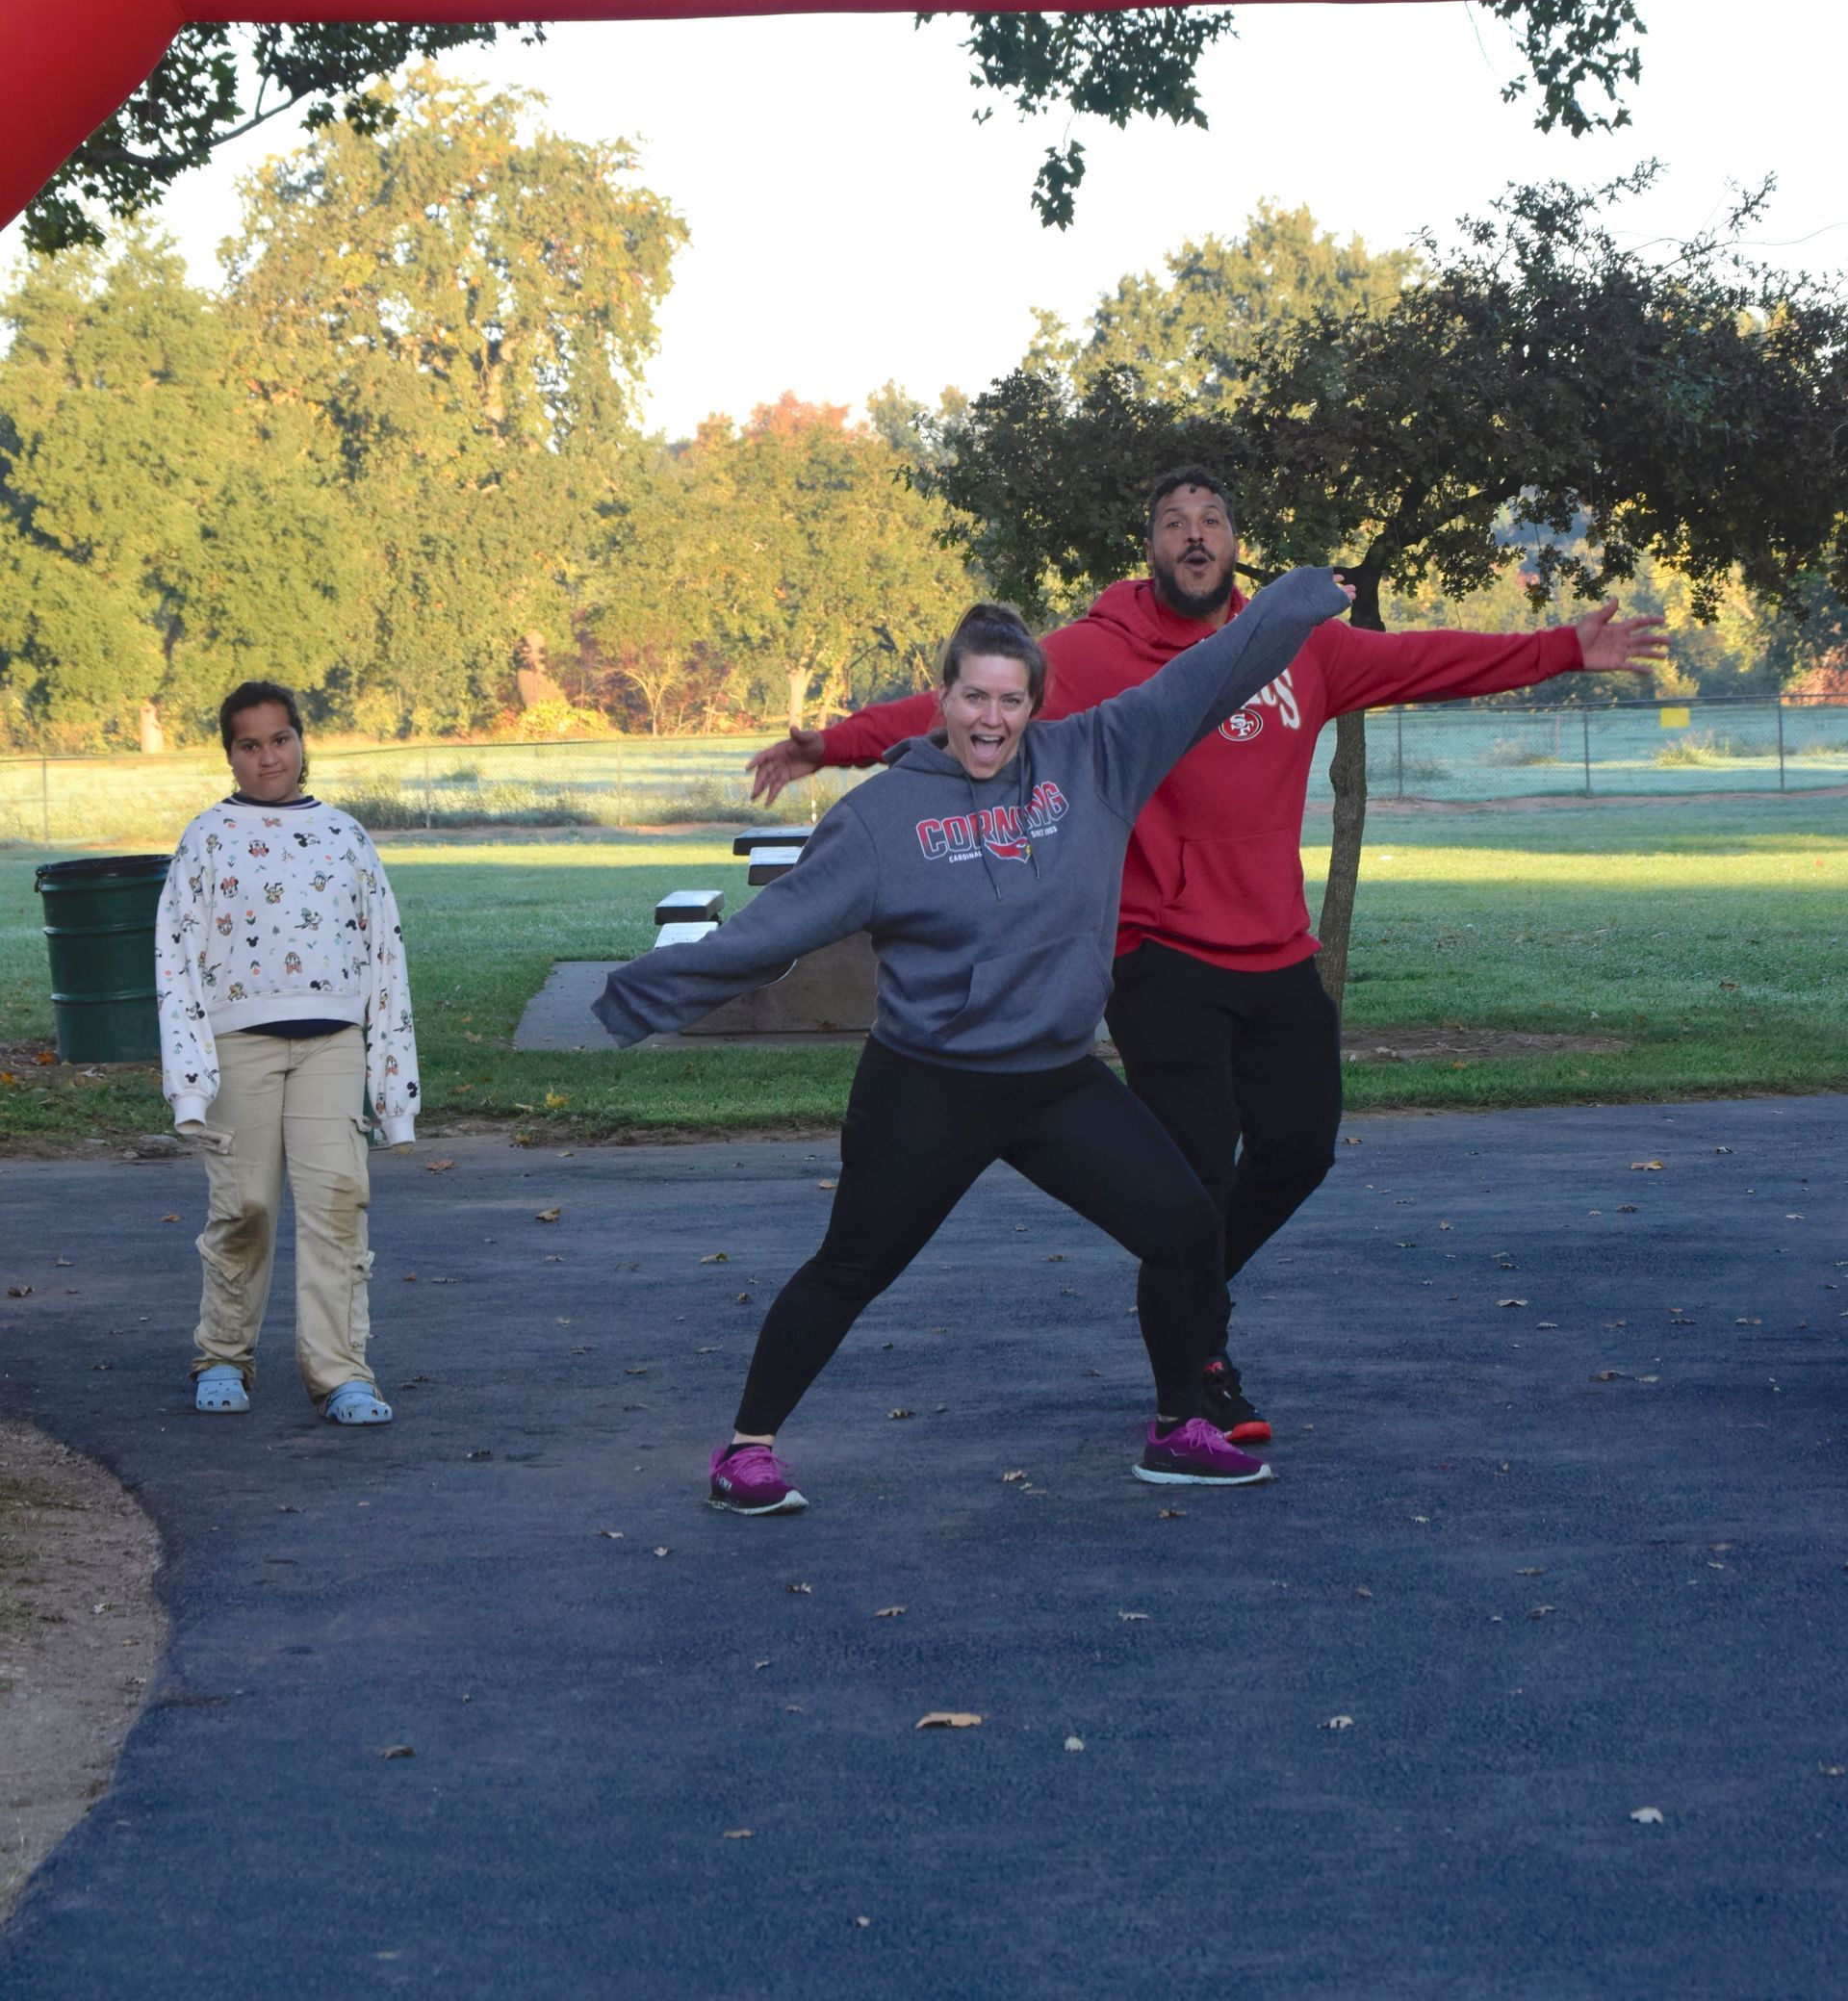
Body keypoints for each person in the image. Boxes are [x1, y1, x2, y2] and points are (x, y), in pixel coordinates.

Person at [751, 468, 1670, 1442]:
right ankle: (1197, 1378)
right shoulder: (1102, 655)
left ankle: (1192, 1294)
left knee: (1301, 1148)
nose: (1195, 537)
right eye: (1173, 524)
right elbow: (963, 704)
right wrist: (838, 745)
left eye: (1213, 522)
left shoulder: (1304, 648)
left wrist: (1565, 647)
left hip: (1277, 950)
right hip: (1162, 956)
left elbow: (1428, 662)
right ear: (1148, 546)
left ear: (1236, 543)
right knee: (1195, 1177)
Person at [595, 568, 1351, 1515]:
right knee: (852, 1265)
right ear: (943, 699)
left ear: (1035, 704)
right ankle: (747, 1449)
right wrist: (638, 994)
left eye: (1010, 698)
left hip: (1054, 1082)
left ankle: (1177, 1427)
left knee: (1187, 1226)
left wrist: (1299, 598)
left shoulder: (1098, 762)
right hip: (930, 1086)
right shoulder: (882, 820)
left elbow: (1214, 674)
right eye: (973, 696)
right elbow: (772, 931)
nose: (990, 718)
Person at [155, 680, 421, 1424]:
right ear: (230, 756)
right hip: (237, 1045)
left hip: (332, 1045)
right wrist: (190, 1084)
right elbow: (174, 961)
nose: (268, 756)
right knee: (246, 1206)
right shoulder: (206, 837)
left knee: (339, 1201)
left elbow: (385, 958)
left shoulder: (345, 836)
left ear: (302, 743)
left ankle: (342, 1373)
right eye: (249, 744)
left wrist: (394, 1098)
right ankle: (222, 1356)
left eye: (281, 739)